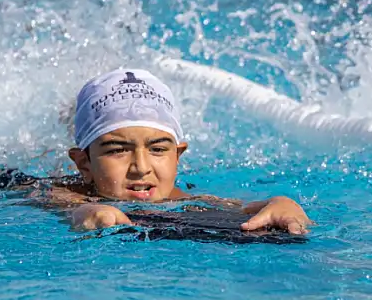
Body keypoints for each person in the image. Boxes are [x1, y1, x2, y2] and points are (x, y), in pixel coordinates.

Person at [48, 68, 311, 233]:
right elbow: (63, 204)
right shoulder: (67, 193)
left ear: (178, 155)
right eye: (118, 150)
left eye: (158, 149)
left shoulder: (188, 202)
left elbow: (246, 210)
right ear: (84, 164)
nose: (141, 167)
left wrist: (282, 203)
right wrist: (79, 213)